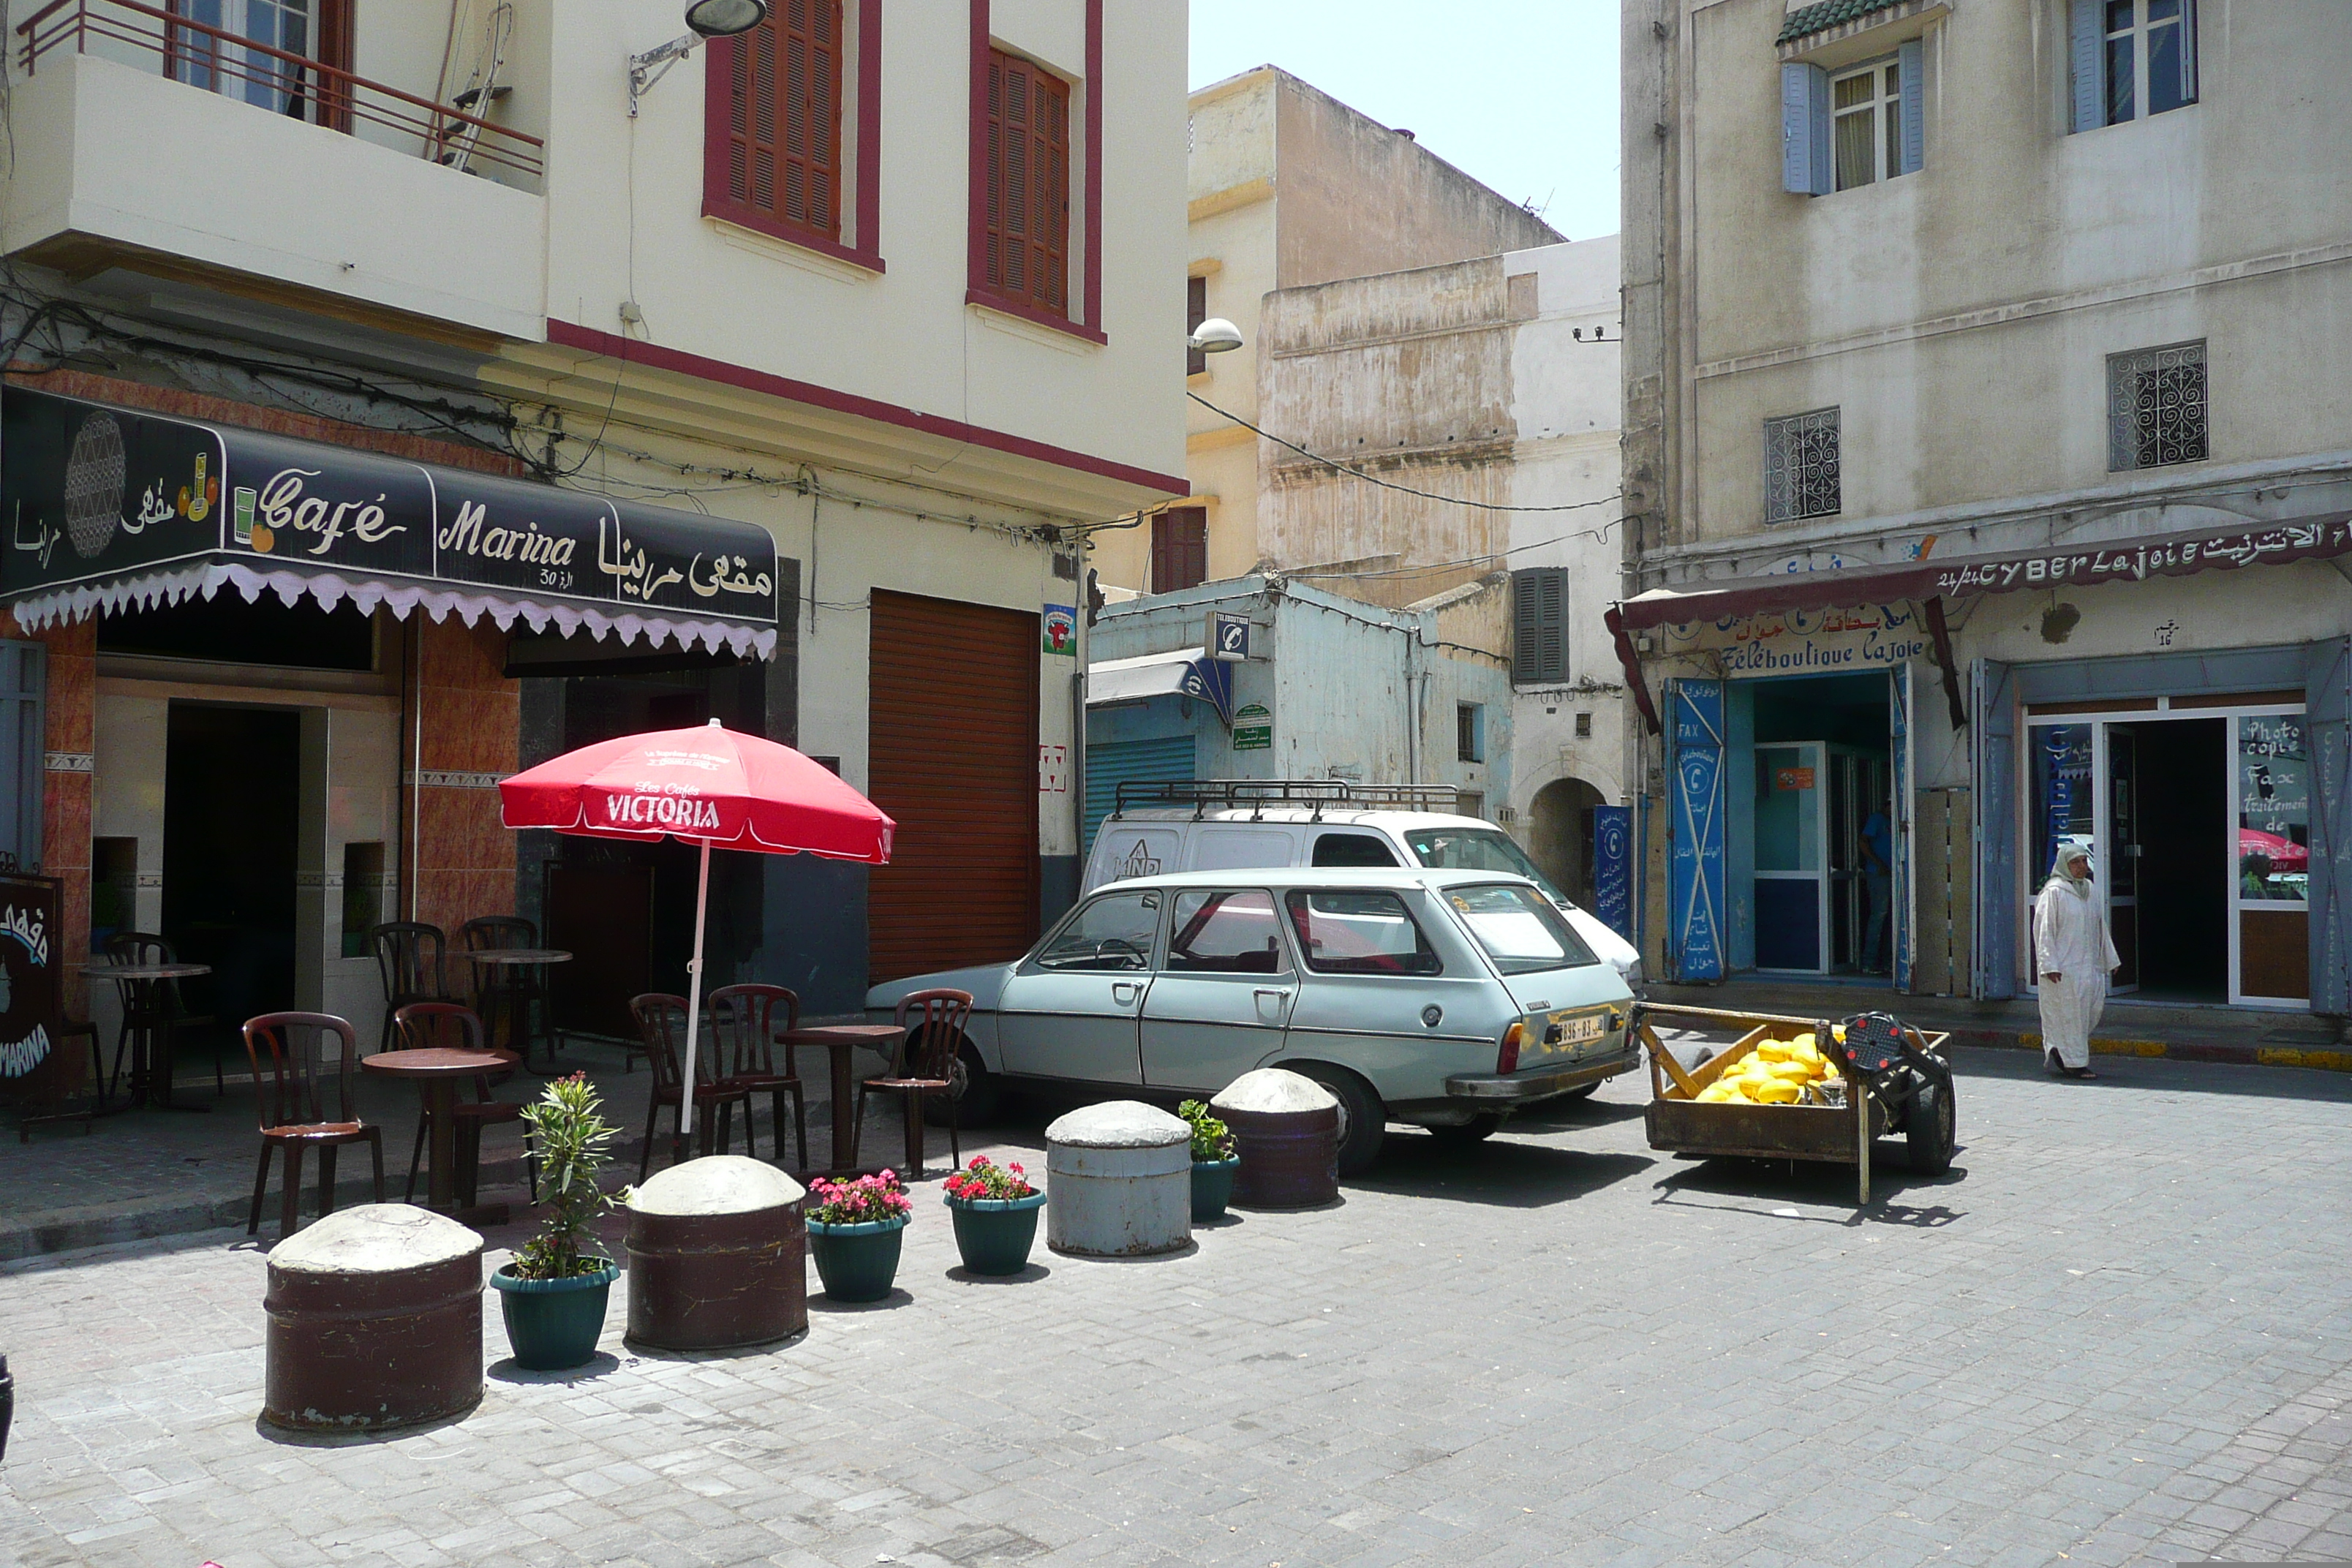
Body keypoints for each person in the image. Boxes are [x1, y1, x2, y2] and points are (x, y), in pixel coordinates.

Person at [2035, 842, 2121, 1080]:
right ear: (2064, 864)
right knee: (2068, 1017)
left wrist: (2109, 959)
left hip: (2088, 967)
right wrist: (2049, 965)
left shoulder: (2090, 890)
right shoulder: (2054, 893)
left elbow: (2099, 927)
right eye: (2075, 862)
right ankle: (2073, 1064)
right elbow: (2045, 931)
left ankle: (2061, 1052)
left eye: (2084, 861)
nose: (2081, 866)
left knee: (2088, 1014)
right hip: (2064, 969)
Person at [1859, 805, 1893, 975]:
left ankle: (1889, 962)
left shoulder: (1893, 821)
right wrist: (1878, 864)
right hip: (1879, 874)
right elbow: (1863, 841)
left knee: (1893, 918)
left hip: (1895, 873)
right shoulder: (1877, 819)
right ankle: (1868, 962)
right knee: (1879, 915)